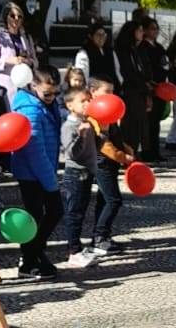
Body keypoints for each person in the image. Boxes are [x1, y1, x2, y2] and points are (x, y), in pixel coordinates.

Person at [11, 67, 63, 280]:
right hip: (31, 172)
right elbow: (35, 151)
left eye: (56, 93)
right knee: (40, 215)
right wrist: (51, 182)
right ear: (33, 86)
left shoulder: (43, 104)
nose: (52, 98)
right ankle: (29, 259)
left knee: (45, 214)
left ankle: (34, 254)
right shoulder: (30, 110)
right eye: (47, 94)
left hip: (43, 169)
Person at [87, 79, 131, 257]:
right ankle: (99, 237)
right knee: (114, 200)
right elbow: (104, 145)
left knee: (104, 200)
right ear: (93, 92)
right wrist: (123, 157)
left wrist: (126, 147)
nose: (111, 95)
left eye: (113, 91)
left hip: (110, 163)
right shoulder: (95, 114)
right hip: (101, 163)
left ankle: (102, 236)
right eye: (107, 91)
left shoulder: (108, 110)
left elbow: (115, 137)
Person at [58, 85, 99, 267]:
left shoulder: (88, 121)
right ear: (69, 105)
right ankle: (73, 251)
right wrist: (81, 136)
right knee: (74, 213)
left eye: (89, 100)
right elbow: (73, 153)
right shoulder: (69, 126)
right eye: (82, 101)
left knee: (81, 212)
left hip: (87, 173)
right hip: (75, 174)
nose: (87, 103)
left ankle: (78, 248)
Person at [0, 3, 37, 99]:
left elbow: (35, 61)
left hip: (25, 85)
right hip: (7, 86)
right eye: (12, 16)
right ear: (6, 18)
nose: (16, 19)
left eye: (19, 16)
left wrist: (29, 62)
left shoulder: (27, 38)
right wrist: (7, 61)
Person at [117, 22, 150, 160]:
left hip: (139, 92)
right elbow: (128, 73)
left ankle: (136, 152)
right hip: (130, 92)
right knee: (131, 126)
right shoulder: (124, 51)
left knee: (139, 126)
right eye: (140, 30)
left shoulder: (137, 50)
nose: (142, 34)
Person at [139, 18, 169, 162]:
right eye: (152, 28)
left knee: (156, 121)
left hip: (161, 87)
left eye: (156, 29)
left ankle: (155, 150)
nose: (155, 31)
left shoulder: (159, 47)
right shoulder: (142, 47)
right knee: (148, 122)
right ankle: (147, 150)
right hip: (149, 87)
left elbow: (165, 64)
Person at [73, 25, 120, 92]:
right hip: (95, 91)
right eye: (98, 35)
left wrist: (120, 84)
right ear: (91, 36)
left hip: (112, 89)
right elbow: (83, 75)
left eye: (103, 35)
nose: (101, 37)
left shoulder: (110, 51)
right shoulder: (84, 53)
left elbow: (117, 70)